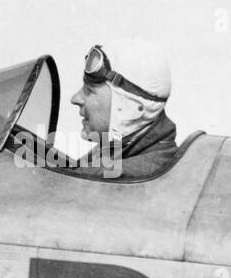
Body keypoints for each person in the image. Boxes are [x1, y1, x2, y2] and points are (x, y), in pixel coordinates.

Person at [68, 39, 178, 179]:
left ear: (131, 110)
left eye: (89, 91)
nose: (75, 98)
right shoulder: (119, 149)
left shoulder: (107, 177)